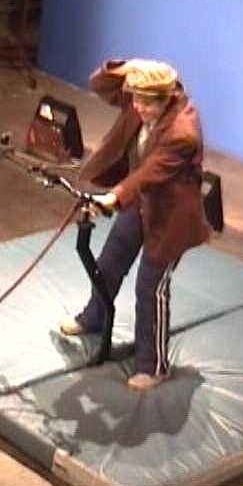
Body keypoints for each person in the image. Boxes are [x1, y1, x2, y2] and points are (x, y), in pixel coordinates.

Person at [59, 58, 210, 390]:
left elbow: (151, 172)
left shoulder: (183, 132)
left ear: (165, 99)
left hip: (170, 216)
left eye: (146, 102)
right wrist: (128, 66)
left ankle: (154, 366)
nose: (137, 107)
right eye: (135, 98)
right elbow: (99, 84)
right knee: (108, 264)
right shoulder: (142, 98)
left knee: (150, 288)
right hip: (140, 202)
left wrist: (114, 197)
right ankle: (95, 316)